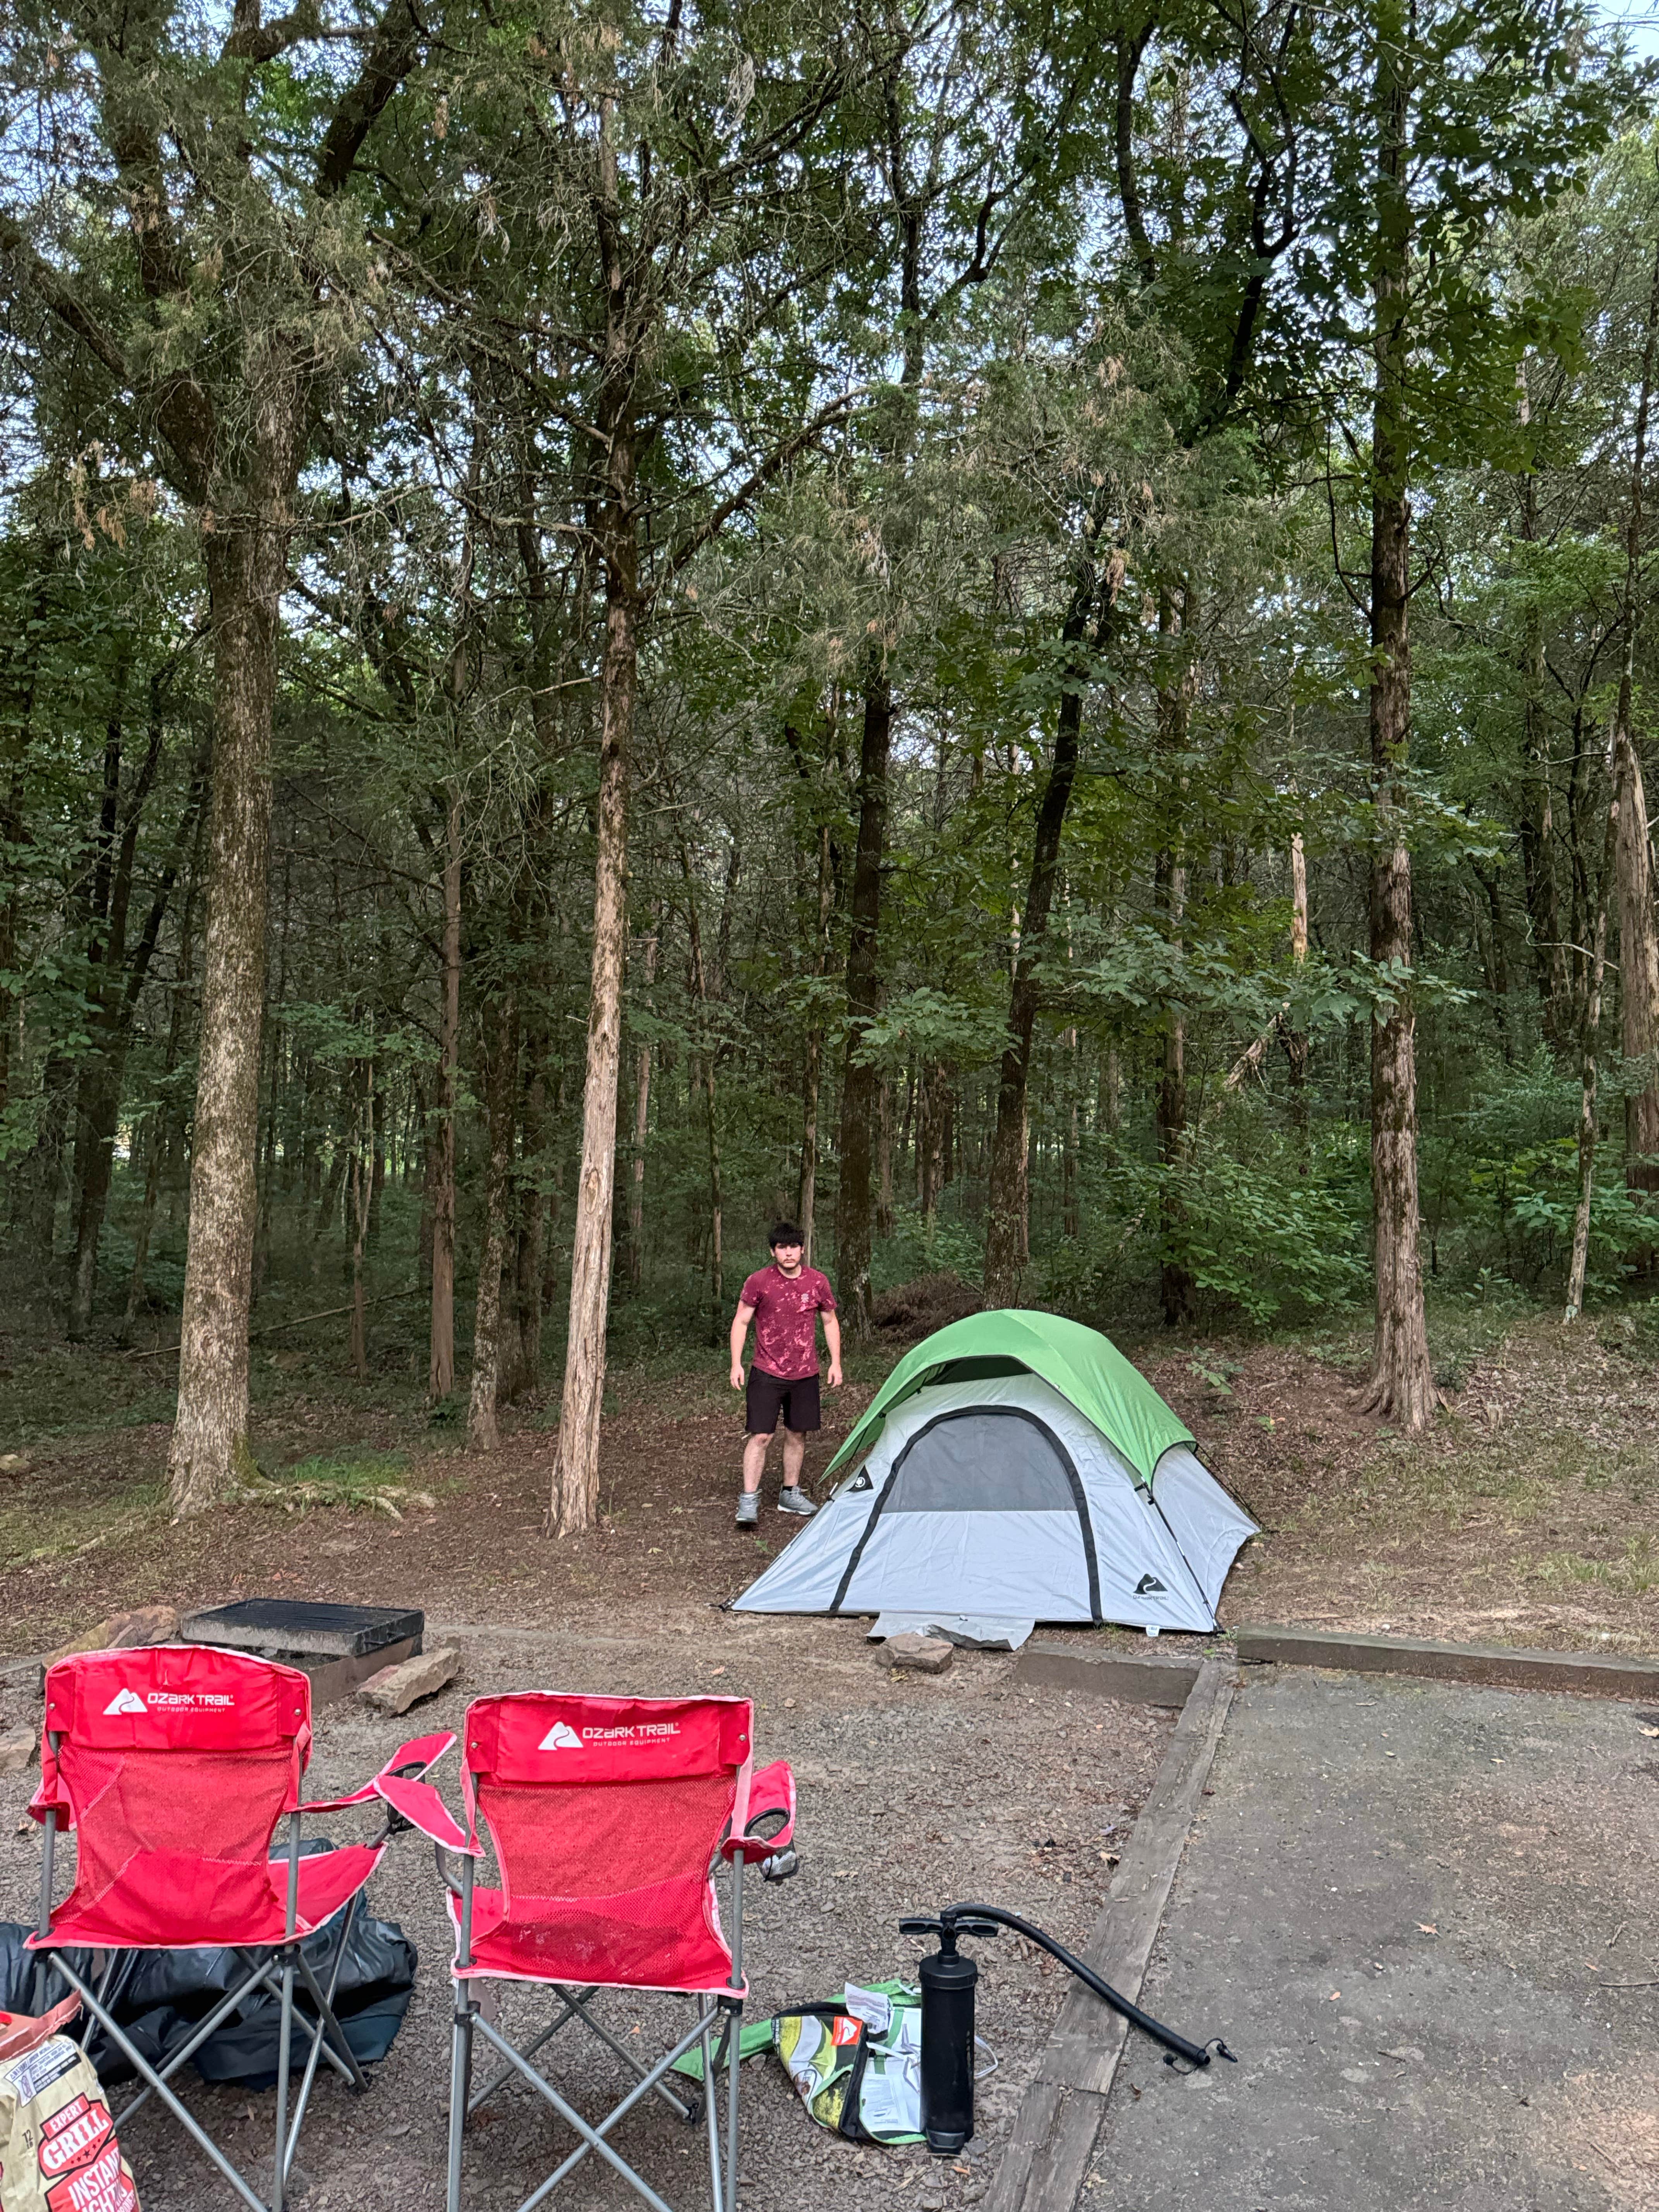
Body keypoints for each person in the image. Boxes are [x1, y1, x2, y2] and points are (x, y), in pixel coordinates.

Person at [729, 1222, 842, 1527]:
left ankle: (790, 1493)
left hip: (806, 1373)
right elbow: (741, 1322)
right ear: (773, 1252)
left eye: (794, 1247)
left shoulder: (817, 1282)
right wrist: (736, 1364)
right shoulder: (759, 1282)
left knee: (797, 1434)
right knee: (761, 1436)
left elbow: (830, 1321)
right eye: (782, 1248)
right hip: (766, 1372)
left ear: (802, 1249)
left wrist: (836, 1363)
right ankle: (749, 1499)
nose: (788, 1253)